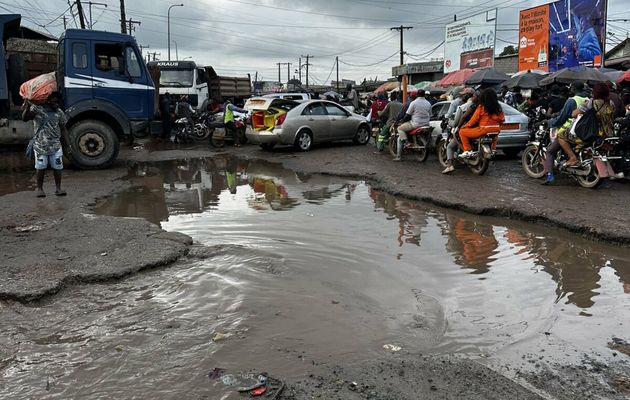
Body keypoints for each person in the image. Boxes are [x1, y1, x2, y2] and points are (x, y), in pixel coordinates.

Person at [22, 91, 68, 197]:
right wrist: (27, 107)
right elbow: (25, 118)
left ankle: (58, 188)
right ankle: (40, 189)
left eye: (59, 102)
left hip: (55, 145)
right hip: (40, 145)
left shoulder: (59, 112)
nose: (57, 104)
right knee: (40, 167)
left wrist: (68, 144)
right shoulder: (37, 109)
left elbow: (63, 128)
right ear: (49, 101)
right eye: (55, 102)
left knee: (58, 167)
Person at [542, 82, 590, 184]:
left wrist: (550, 122)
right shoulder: (588, 100)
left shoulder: (572, 101)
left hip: (571, 130)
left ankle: (550, 177)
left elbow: (562, 117)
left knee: (550, 151)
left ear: (573, 89)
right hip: (586, 130)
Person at [457, 88, 504, 159]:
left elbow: (473, 120)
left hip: (483, 130)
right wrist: (498, 127)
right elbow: (502, 120)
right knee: (494, 136)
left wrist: (465, 126)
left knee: (462, 132)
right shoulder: (498, 107)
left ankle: (467, 151)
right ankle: (493, 150)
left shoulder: (482, 107)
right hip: (496, 130)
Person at [442, 90, 480, 174]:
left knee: (450, 146)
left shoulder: (463, 107)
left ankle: (450, 166)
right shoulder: (481, 106)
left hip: (466, 129)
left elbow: (456, 122)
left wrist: (450, 122)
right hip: (478, 129)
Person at [393, 89, 431, 161]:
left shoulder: (413, 103)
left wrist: (402, 122)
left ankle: (406, 143)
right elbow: (430, 114)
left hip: (416, 124)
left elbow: (407, 115)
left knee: (400, 128)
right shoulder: (428, 103)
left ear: (417, 95)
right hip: (426, 123)